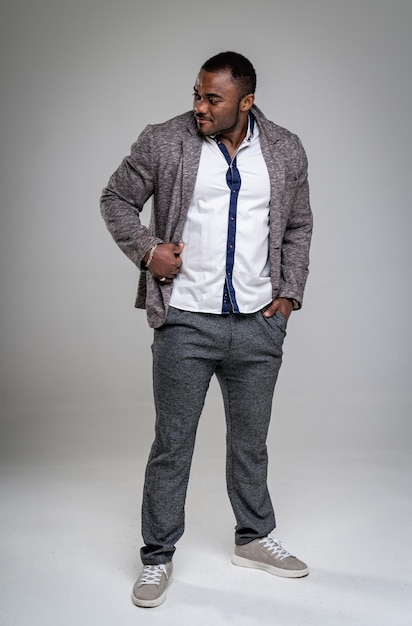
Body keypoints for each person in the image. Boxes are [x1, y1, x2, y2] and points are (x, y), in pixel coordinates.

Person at [100, 51, 313, 608]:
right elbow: (115, 199)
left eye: (212, 98)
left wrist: (289, 293)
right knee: (173, 444)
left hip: (258, 324)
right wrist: (148, 252)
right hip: (185, 322)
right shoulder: (164, 140)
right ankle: (157, 558)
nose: (199, 106)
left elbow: (297, 224)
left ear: (245, 101)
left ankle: (254, 537)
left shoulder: (286, 149)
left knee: (251, 442)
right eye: (196, 94)